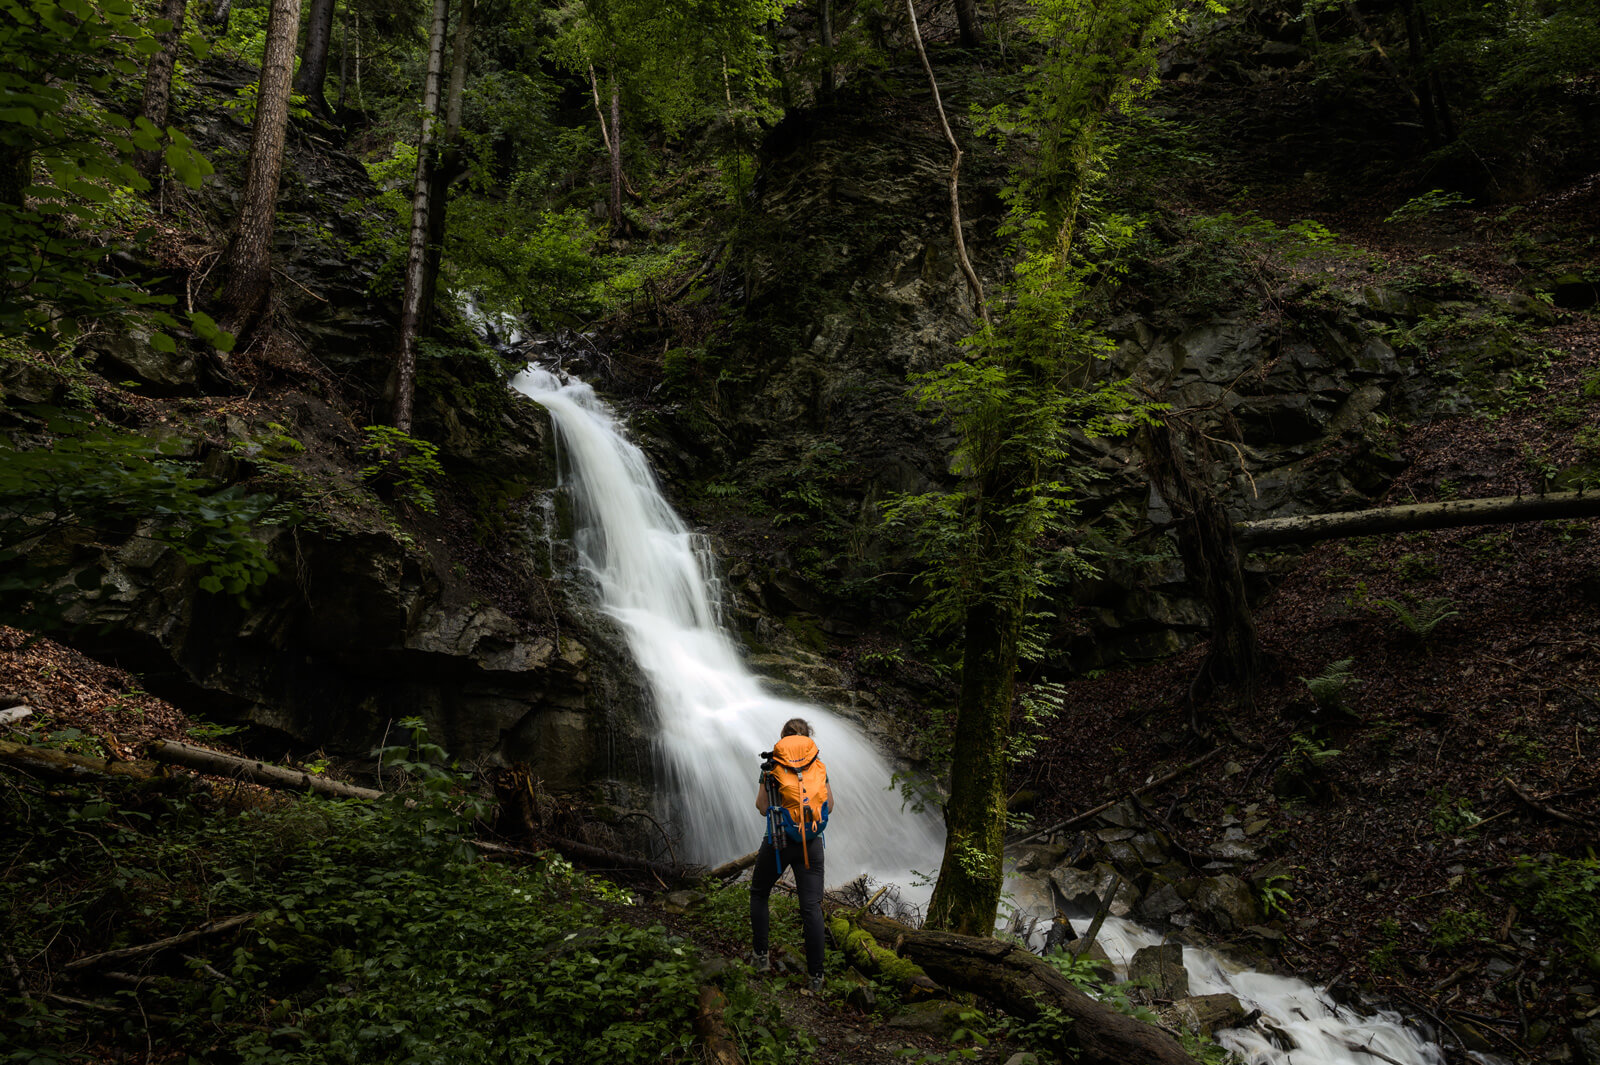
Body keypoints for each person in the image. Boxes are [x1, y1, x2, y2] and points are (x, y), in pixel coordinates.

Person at [750, 717, 832, 992]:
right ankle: (816, 976)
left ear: (783, 737)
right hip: (811, 841)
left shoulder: (772, 765)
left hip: (777, 840)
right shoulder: (817, 765)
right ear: (808, 738)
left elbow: (762, 806)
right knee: (811, 907)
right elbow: (829, 805)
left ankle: (761, 958)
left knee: (760, 893)